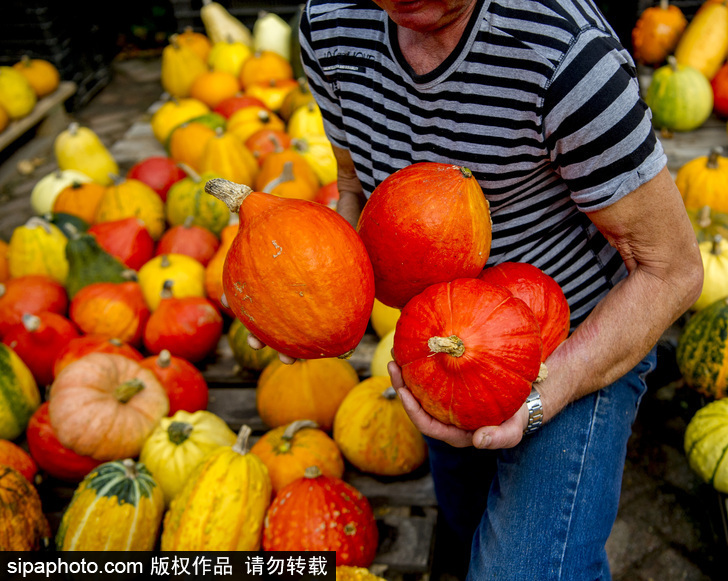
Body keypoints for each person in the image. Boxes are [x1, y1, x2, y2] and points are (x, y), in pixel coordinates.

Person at [272, 0, 703, 578]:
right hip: (439, 344)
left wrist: (546, 393)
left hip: (571, 337)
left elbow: (671, 270)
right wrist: (309, 298)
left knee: (524, 570)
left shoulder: (567, 57)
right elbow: (354, 182)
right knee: (465, 519)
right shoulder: (329, 24)